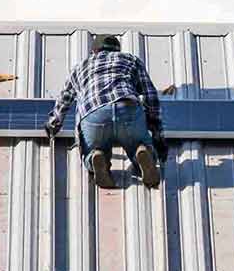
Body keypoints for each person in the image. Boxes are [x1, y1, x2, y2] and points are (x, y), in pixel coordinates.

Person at [44, 34, 166, 189]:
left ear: (94, 51)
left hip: (94, 114)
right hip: (127, 108)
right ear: (117, 50)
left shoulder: (80, 67)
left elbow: (64, 99)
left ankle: (96, 156)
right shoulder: (130, 59)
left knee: (92, 151)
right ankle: (142, 151)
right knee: (140, 144)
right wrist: (157, 132)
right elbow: (150, 95)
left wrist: (53, 124)